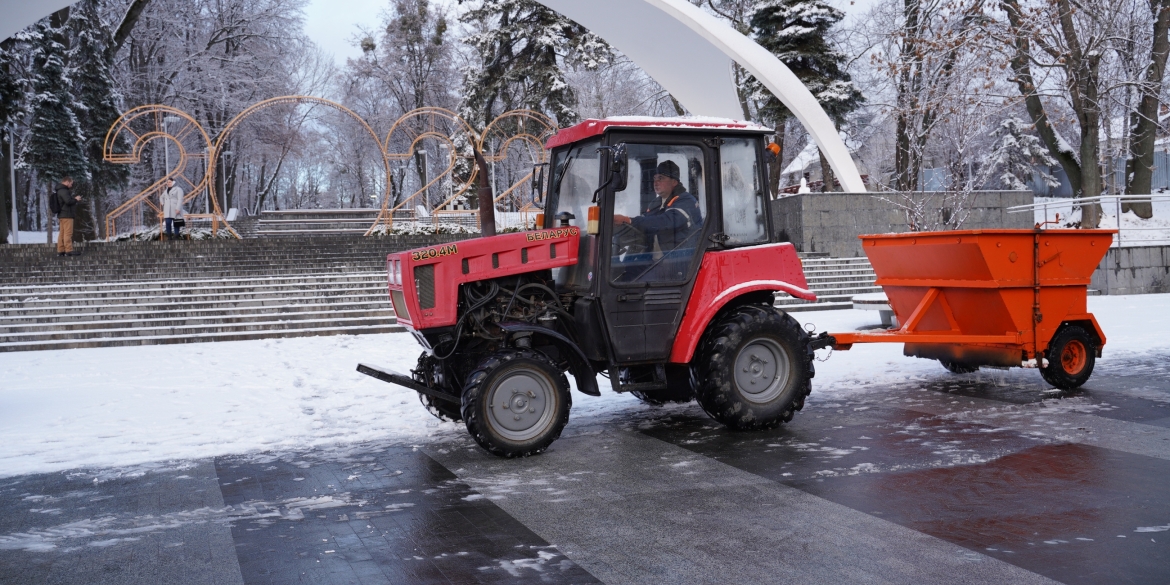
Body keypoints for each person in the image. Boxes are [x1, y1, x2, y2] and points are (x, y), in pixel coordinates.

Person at [613, 160, 703, 255]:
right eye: (654, 178)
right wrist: (623, 226)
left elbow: (664, 222)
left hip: (679, 259)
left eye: (661, 178)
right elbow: (647, 221)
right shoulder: (656, 203)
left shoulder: (686, 201)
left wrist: (630, 220)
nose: (656, 182)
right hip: (655, 259)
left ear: (674, 182)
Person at [54, 177, 81, 257]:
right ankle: (68, 250)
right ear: (67, 182)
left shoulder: (59, 190)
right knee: (68, 233)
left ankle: (61, 250)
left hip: (62, 215)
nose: (71, 185)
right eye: (71, 183)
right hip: (67, 215)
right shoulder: (64, 191)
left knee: (62, 233)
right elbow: (68, 201)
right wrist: (76, 199)